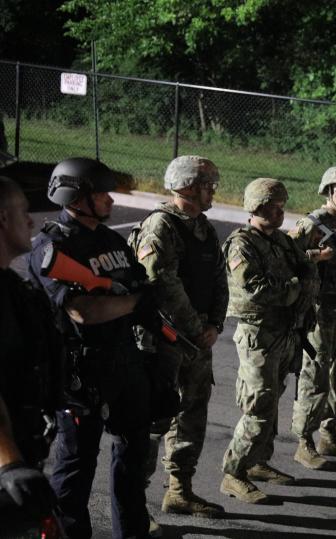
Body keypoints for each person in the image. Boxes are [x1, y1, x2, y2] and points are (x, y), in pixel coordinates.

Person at [29, 158, 154, 538]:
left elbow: (137, 283)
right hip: (79, 373)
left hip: (123, 364)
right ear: (76, 196)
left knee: (133, 465)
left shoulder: (111, 239)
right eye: (101, 193)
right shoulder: (52, 246)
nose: (110, 200)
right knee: (75, 473)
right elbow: (82, 311)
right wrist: (133, 303)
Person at [128, 156, 227, 520]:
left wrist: (214, 323)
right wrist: (195, 328)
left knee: (192, 416)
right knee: (154, 421)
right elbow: (162, 284)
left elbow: (219, 278)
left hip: (197, 339)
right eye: (207, 184)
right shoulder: (160, 227)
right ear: (187, 187)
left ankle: (179, 491)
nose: (212, 190)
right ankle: (135, 508)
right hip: (165, 341)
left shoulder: (204, 228)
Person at [220, 178, 318, 504]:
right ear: (259, 206)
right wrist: (295, 288)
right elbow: (257, 288)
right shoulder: (241, 245)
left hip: (282, 332)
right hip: (257, 334)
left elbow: (304, 265)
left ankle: (258, 462)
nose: (282, 211)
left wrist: (305, 273)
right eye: (276, 206)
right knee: (259, 405)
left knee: (272, 401)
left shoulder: (279, 240)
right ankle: (233, 474)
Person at [288, 166, 336, 464]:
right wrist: (315, 257)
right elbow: (287, 258)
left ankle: (330, 434)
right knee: (315, 375)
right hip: (320, 311)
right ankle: (303, 441)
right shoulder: (312, 224)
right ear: (328, 193)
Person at [0, 177, 61, 531]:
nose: (32, 222)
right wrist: (10, 464)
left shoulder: (14, 289)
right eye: (24, 211)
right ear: (3, 219)